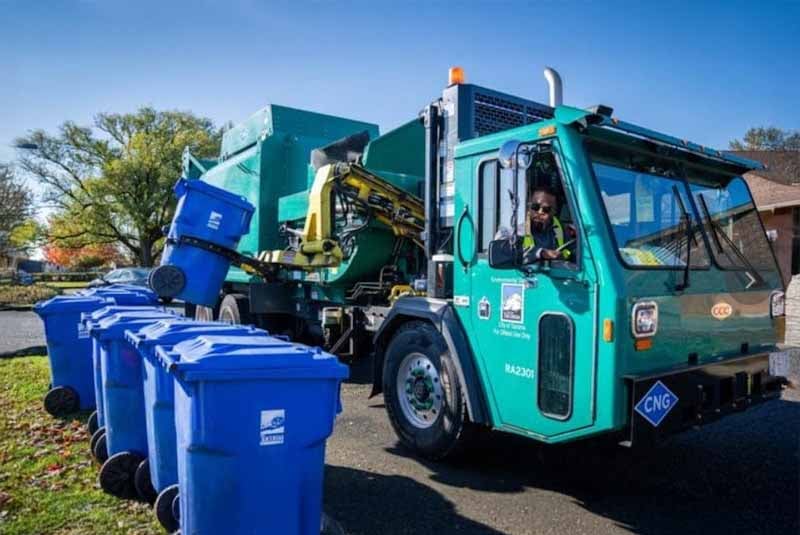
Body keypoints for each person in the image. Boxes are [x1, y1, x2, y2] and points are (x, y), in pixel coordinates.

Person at [522, 186, 574, 263]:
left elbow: (572, 251)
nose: (539, 212)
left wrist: (564, 255)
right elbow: (503, 252)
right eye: (535, 207)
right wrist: (541, 253)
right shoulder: (516, 226)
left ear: (554, 211)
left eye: (546, 209)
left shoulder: (563, 229)